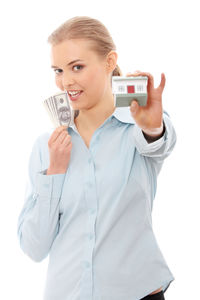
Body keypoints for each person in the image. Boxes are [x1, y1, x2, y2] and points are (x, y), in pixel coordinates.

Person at [17, 16, 177, 300]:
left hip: (138, 293)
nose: (66, 81)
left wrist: (152, 126)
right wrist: (54, 172)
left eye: (77, 67)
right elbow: (34, 247)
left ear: (109, 61)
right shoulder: (46, 147)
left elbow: (160, 142)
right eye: (58, 70)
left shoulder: (137, 130)